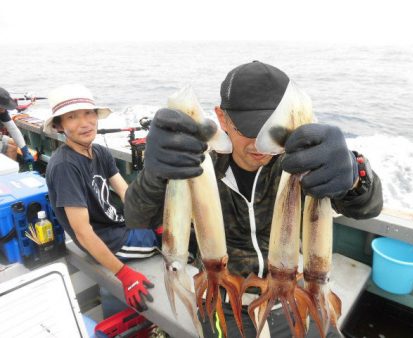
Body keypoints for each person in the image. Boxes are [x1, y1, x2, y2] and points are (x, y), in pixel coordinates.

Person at [124, 61, 383, 337]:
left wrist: (356, 174)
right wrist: (154, 176)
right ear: (222, 119)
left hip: (296, 297)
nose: (260, 145)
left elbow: (367, 206)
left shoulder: (299, 163)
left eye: (273, 131)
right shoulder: (196, 166)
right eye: (250, 129)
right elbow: (138, 216)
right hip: (222, 303)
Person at [44, 84, 160, 313]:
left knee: (162, 228)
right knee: (167, 243)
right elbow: (83, 233)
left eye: (89, 113)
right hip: (103, 240)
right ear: (59, 126)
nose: (84, 122)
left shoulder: (99, 151)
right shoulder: (65, 166)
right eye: (72, 117)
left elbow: (126, 193)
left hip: (115, 224)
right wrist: (125, 275)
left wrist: (151, 221)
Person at [0, 87, 35, 165]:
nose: (4, 110)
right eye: (2, 107)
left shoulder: (2, 111)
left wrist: (24, 150)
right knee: (10, 149)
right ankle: (10, 175)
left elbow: (12, 128)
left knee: (14, 143)